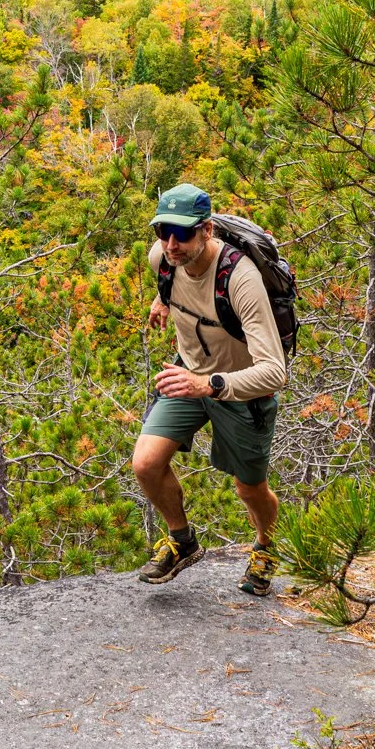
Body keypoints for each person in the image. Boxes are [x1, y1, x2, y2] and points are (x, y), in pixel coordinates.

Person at [133, 183, 287, 595]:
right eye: (163, 231)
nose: (171, 244)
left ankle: (267, 546)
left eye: (182, 233)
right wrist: (162, 300)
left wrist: (209, 385)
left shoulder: (241, 279)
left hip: (240, 389)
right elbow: (174, 284)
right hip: (189, 375)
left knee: (249, 488)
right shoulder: (162, 259)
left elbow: (275, 372)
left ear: (207, 230)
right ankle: (182, 542)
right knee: (146, 464)